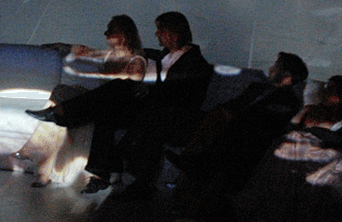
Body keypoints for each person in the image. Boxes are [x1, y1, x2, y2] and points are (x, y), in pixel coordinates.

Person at [27, 11, 212, 195]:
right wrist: (64, 46)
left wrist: (150, 91)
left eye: (160, 30)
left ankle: (63, 113)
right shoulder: (161, 55)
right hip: (147, 109)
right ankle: (100, 173)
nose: (156, 34)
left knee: (119, 88)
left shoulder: (198, 64)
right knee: (107, 108)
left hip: (168, 116)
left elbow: (184, 96)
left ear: (174, 32)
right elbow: (99, 52)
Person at [20, 15, 147, 186]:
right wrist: (60, 46)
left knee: (117, 87)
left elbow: (131, 86)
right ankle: (47, 140)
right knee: (61, 92)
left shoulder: (137, 59)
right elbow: (83, 50)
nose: (105, 34)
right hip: (99, 103)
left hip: (120, 107)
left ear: (121, 35)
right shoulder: (109, 55)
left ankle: (60, 116)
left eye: (109, 30)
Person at [169, 51, 307, 194]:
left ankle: (200, 166)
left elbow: (267, 122)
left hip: (250, 139)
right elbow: (235, 104)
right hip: (235, 128)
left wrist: (236, 117)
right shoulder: (259, 87)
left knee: (236, 130)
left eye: (277, 66)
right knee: (216, 118)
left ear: (287, 74)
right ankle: (196, 165)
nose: (272, 69)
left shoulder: (288, 100)